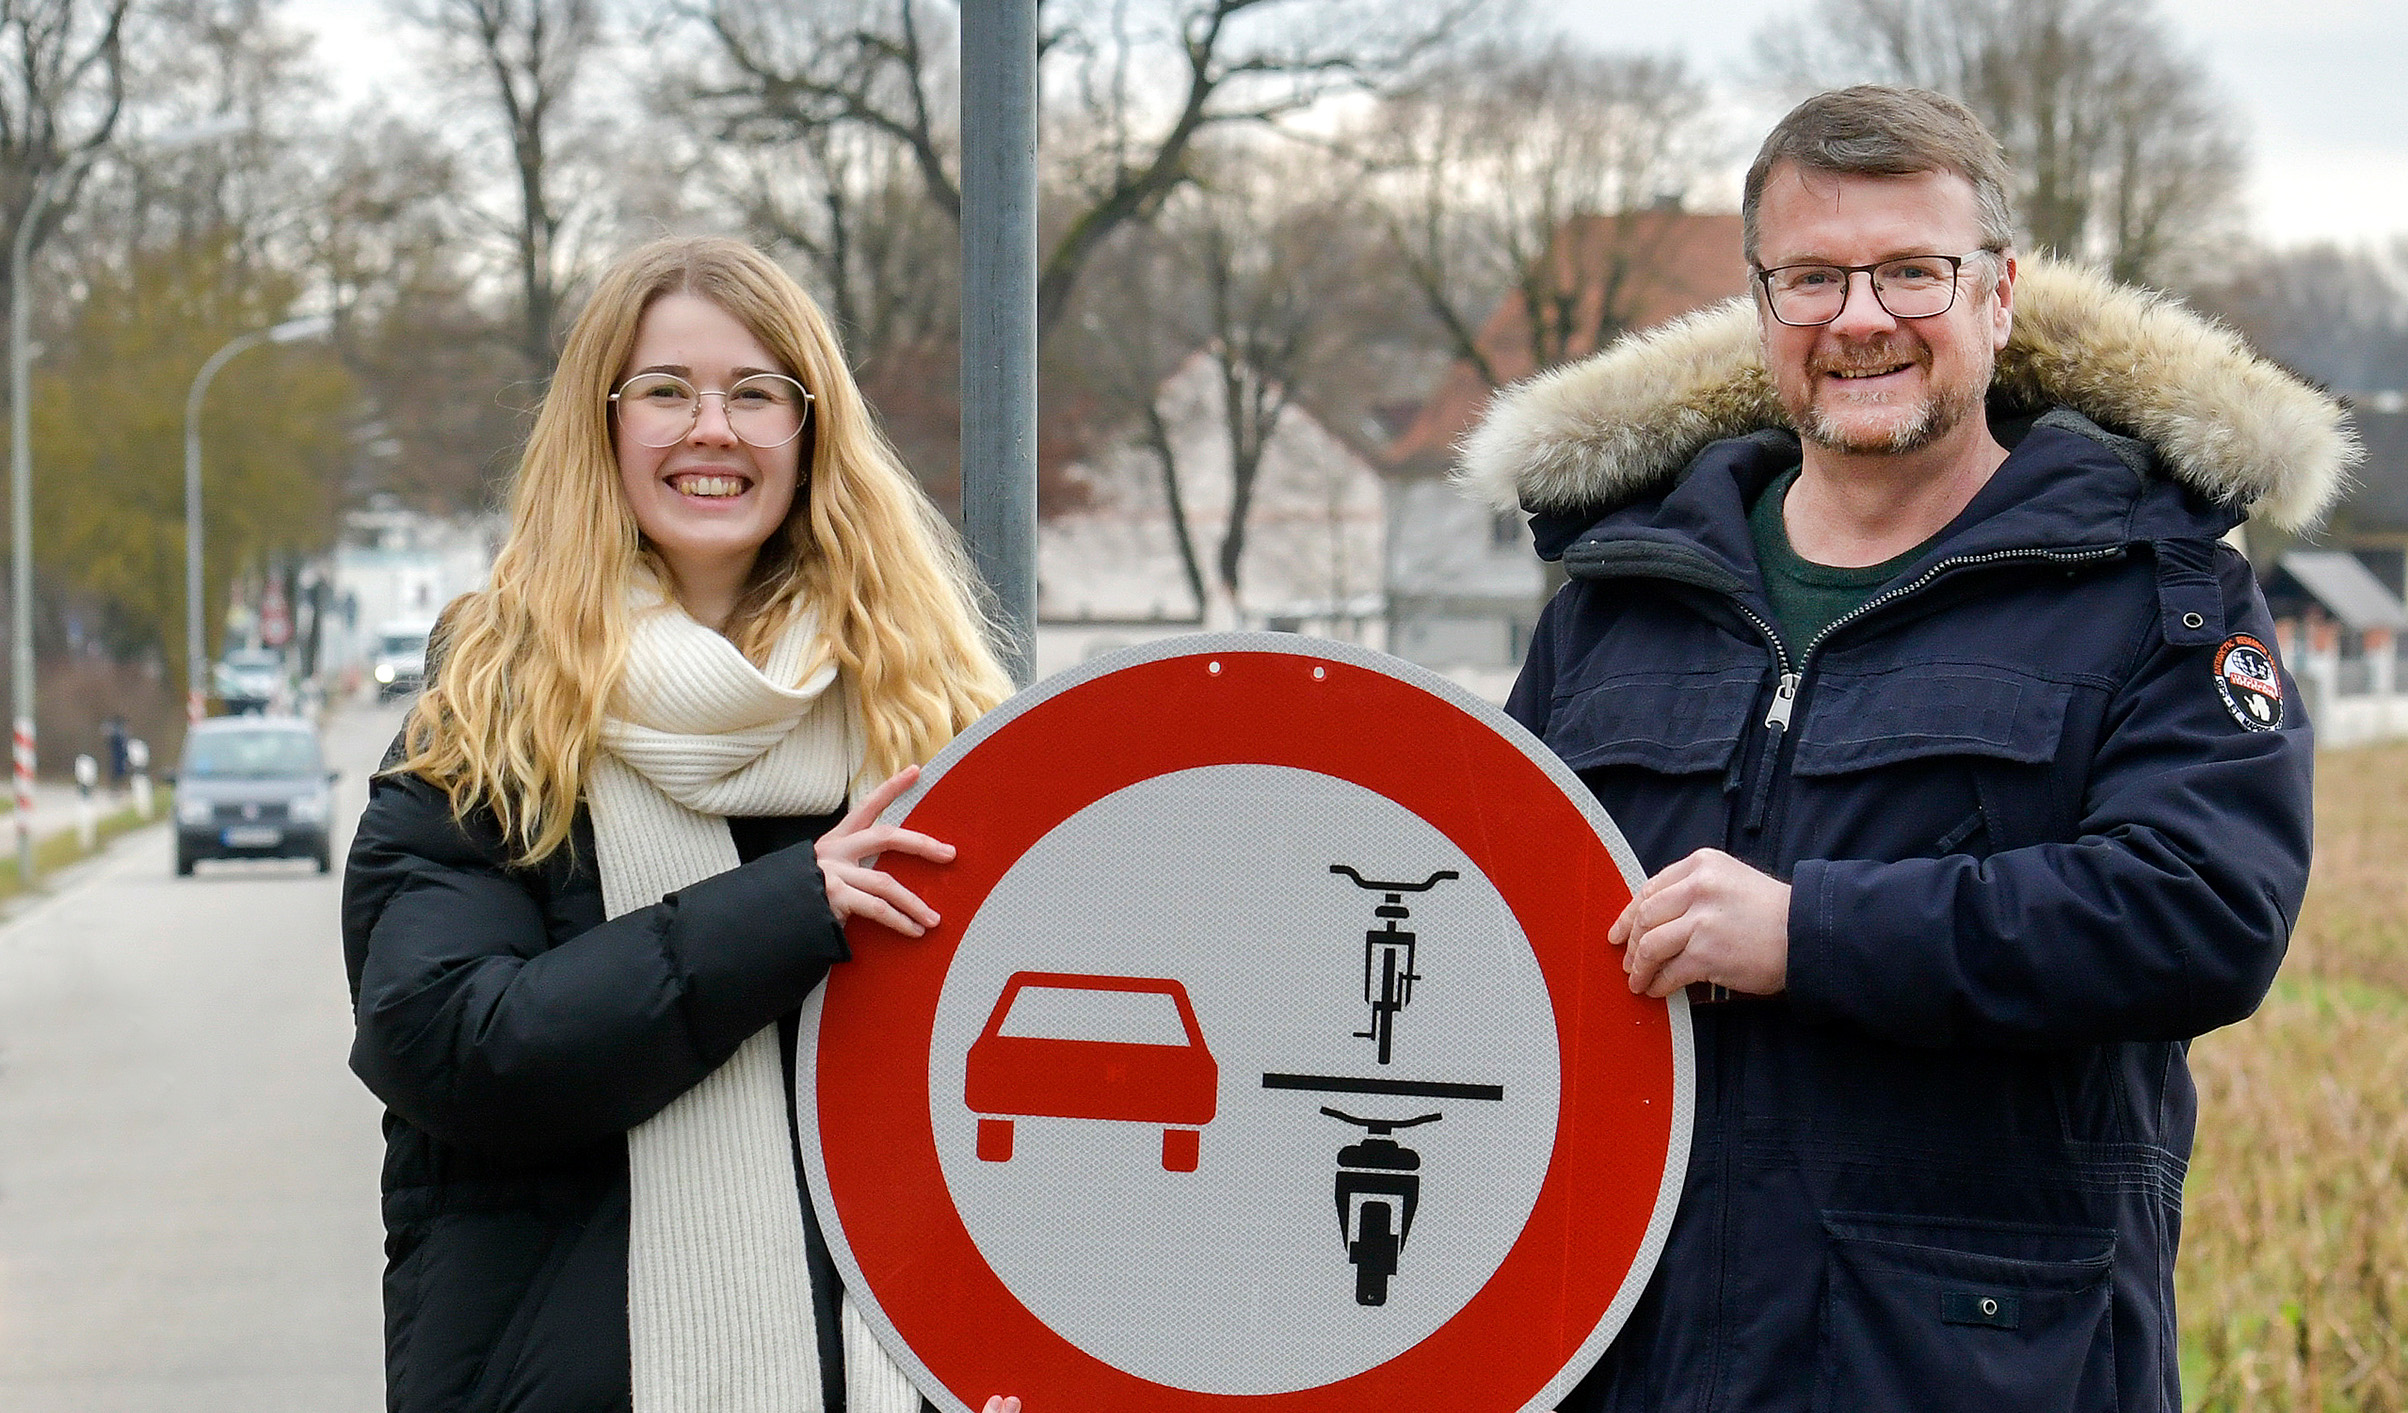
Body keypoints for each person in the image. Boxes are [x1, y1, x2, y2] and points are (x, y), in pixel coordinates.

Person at [1461, 87, 2339, 1411]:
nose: (1860, 319)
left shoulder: (2150, 585)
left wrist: (1812, 933)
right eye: (1812, 276)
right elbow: (1491, 930)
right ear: (1762, 306)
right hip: (1629, 1353)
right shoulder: (1622, 596)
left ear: (1997, 294)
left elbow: (2201, 911)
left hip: (1977, 1357)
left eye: (1910, 272)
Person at [342, 236, 1021, 1413]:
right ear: (599, 426)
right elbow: (446, 1044)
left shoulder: (938, 722)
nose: (712, 428)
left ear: (810, 435)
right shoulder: (494, 722)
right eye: (665, 391)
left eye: (755, 393)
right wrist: (788, 908)